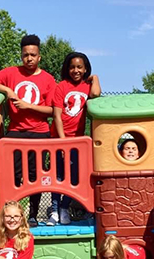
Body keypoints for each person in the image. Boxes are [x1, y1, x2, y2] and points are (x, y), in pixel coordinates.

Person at [0, 34, 56, 227]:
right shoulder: (12, 73)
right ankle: (12, 215)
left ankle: (32, 215)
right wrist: (7, 90)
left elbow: (51, 111)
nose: (29, 58)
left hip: (39, 133)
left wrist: (28, 106)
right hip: (15, 131)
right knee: (12, 175)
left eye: (33, 55)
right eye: (25, 55)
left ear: (39, 56)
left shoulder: (48, 79)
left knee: (34, 175)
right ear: (21, 55)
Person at [47, 52, 101, 226]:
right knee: (58, 176)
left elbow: (96, 94)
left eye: (79, 67)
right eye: (72, 67)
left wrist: (95, 78)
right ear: (67, 69)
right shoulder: (61, 86)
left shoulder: (87, 86)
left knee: (75, 177)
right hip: (59, 139)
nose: (75, 70)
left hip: (78, 142)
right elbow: (56, 116)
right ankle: (54, 210)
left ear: (85, 69)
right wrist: (63, 143)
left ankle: (64, 207)